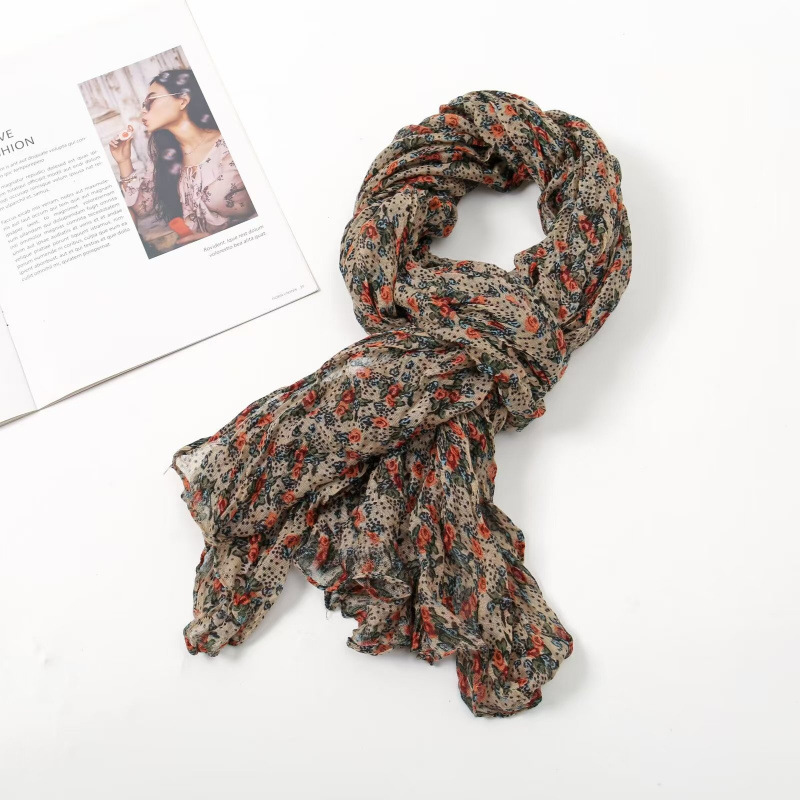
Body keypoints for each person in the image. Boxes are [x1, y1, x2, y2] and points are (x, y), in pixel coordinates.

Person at [109, 69, 256, 245]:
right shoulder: (164, 157)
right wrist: (124, 161)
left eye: (150, 101)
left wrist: (219, 241)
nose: (143, 111)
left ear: (183, 100)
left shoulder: (233, 144)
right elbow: (142, 208)